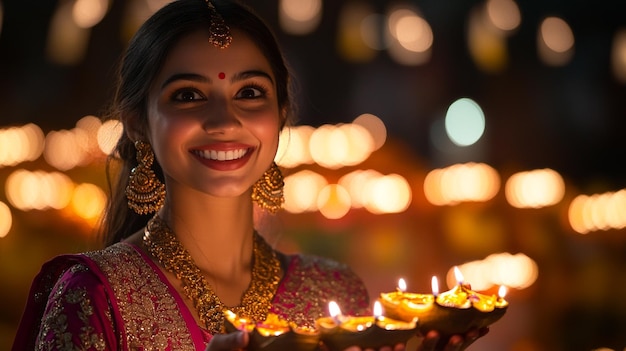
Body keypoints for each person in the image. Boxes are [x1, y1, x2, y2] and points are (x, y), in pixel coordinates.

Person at [12, 1, 487, 350]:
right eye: (188, 96)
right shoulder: (96, 296)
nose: (224, 120)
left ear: (280, 116)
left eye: (251, 92)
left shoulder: (333, 295)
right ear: (138, 122)